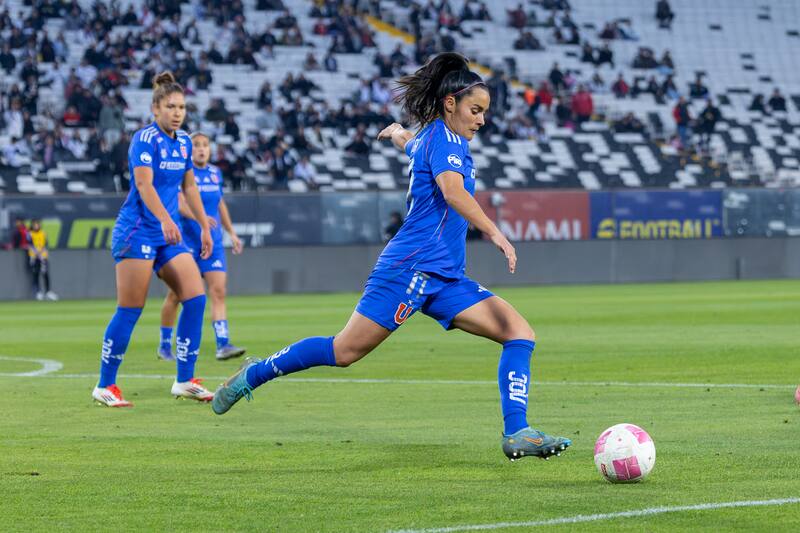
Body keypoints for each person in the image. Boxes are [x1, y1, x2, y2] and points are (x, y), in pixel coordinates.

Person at [211, 53, 572, 462]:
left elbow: (414, 145)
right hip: (409, 269)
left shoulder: (434, 137)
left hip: (445, 277)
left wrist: (398, 134)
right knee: (344, 352)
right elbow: (453, 193)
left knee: (519, 332)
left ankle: (518, 431)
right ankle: (254, 374)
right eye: (476, 110)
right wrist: (495, 232)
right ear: (450, 103)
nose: (481, 120)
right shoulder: (447, 140)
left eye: (484, 112)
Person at [92, 71, 215, 407]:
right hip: (137, 231)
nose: (178, 112)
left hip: (167, 233)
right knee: (130, 308)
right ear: (156, 109)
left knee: (195, 297)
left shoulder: (185, 141)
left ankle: (185, 380)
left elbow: (189, 187)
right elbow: (144, 186)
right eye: (171, 106)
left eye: (181, 107)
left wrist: (204, 227)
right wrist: (165, 219)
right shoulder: (144, 139)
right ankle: (105, 385)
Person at [158, 132, 246, 362]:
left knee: (218, 291)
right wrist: (200, 218)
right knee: (177, 295)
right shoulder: (183, 172)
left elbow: (219, 203)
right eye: (196, 145)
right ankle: (165, 345)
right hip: (187, 244)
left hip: (213, 243)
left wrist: (232, 233)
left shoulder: (215, 172)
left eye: (205, 145)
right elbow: (178, 203)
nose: (201, 149)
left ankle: (223, 344)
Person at [27, 219, 58, 301]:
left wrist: (40, 252)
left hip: (43, 257)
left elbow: (45, 244)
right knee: (35, 274)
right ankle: (38, 292)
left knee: (45, 273)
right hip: (34, 257)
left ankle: (48, 292)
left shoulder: (43, 233)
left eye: (37, 224)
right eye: (35, 224)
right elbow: (30, 245)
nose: (36, 226)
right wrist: (36, 252)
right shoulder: (30, 234)